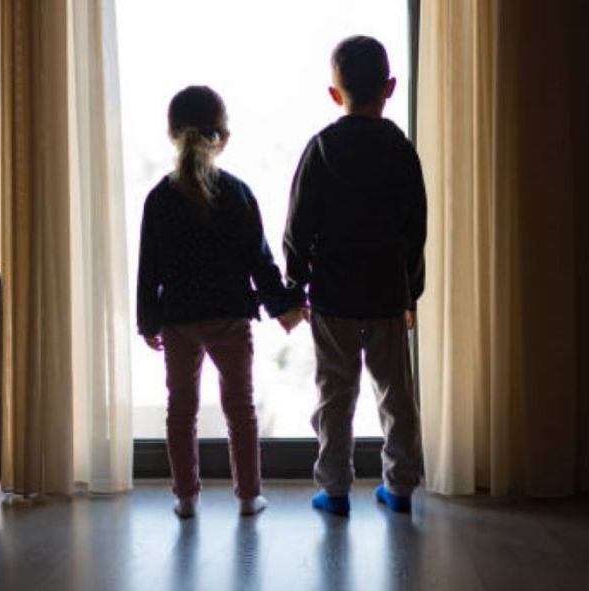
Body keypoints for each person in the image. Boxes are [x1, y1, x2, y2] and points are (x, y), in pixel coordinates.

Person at [137, 86, 305, 518]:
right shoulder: (237, 193)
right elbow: (260, 261)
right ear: (223, 137)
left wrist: (148, 321)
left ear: (172, 133)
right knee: (240, 409)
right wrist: (284, 305)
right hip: (230, 317)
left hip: (178, 321)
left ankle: (186, 497)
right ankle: (249, 496)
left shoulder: (159, 198)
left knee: (181, 410)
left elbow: (148, 269)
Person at [283, 36, 427, 516]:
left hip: (333, 295)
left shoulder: (321, 148)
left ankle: (336, 488)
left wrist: (295, 285)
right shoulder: (400, 150)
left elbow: (298, 227)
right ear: (390, 87)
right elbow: (415, 227)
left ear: (333, 93)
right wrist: (412, 292)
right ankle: (400, 486)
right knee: (395, 394)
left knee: (335, 393)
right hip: (387, 291)